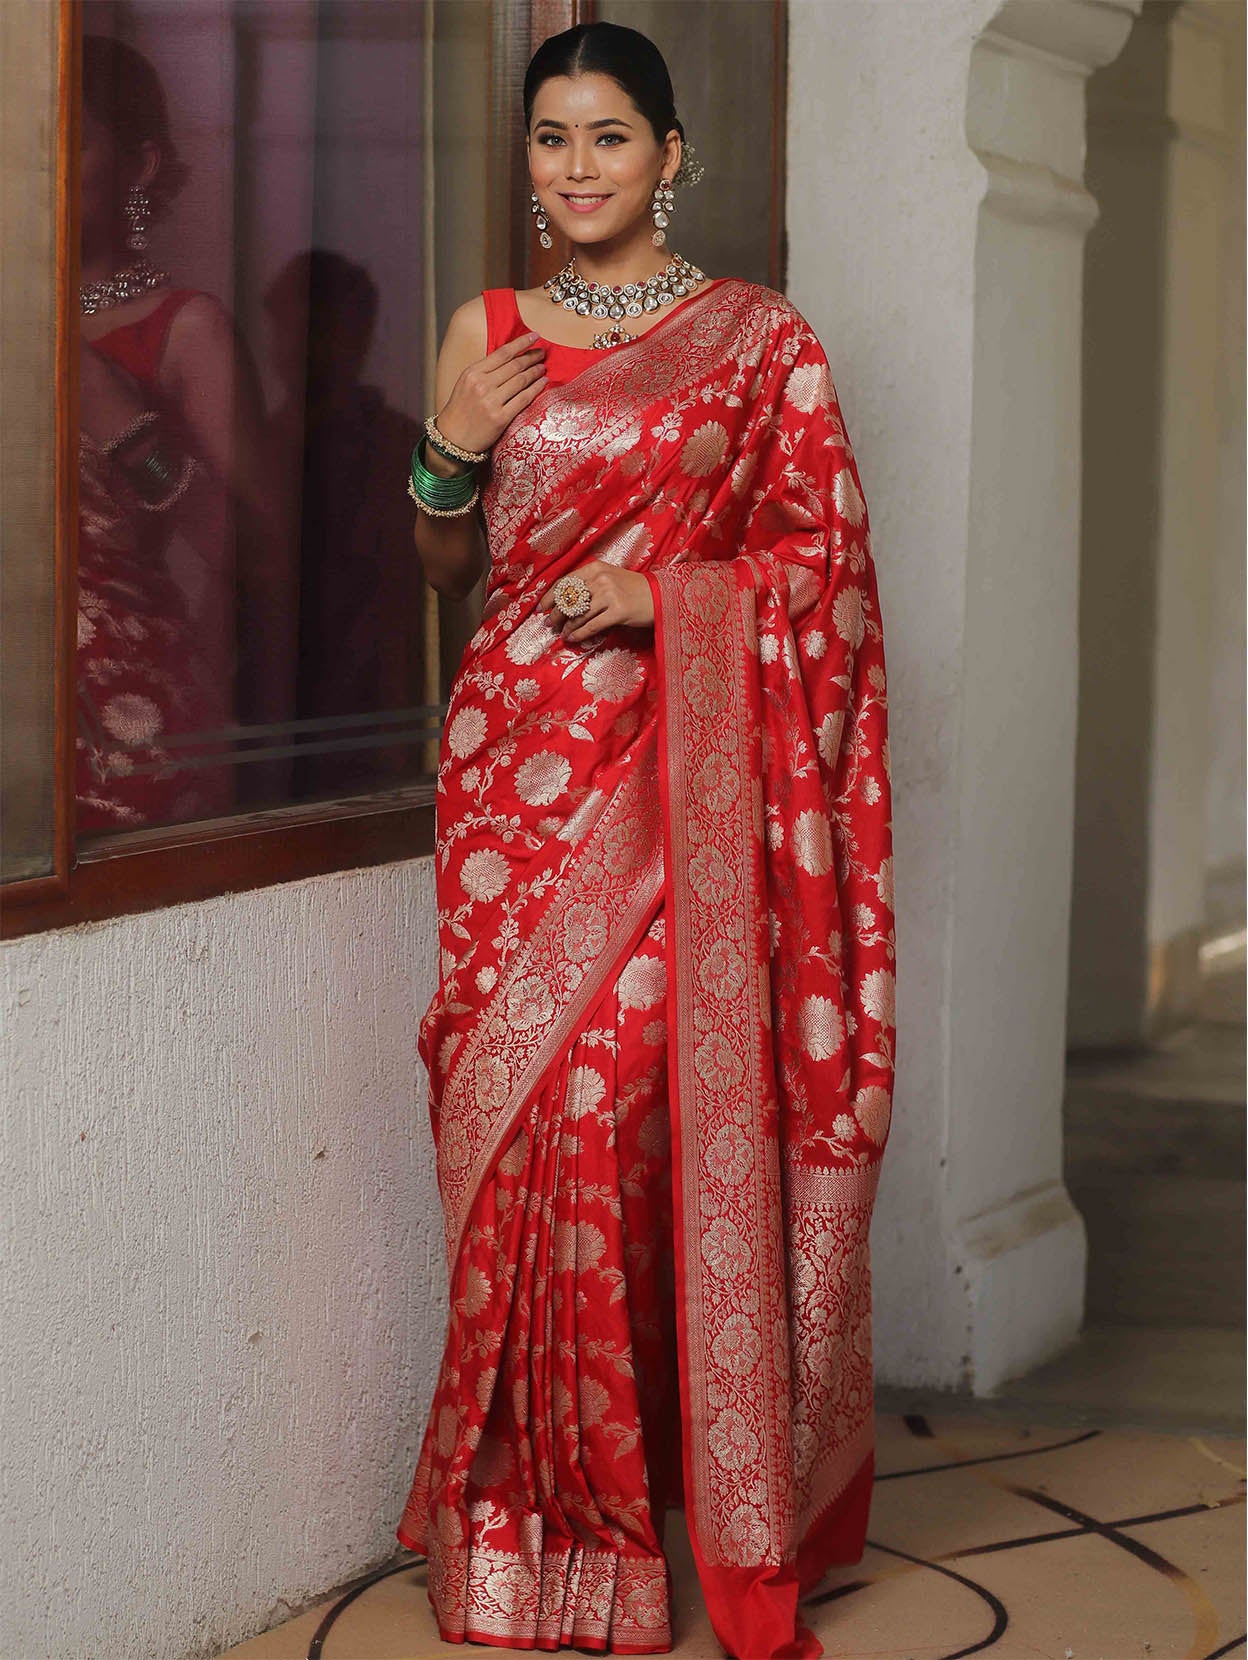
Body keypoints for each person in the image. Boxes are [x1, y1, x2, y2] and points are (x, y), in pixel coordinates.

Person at [397, 22, 895, 1660]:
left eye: (612, 137)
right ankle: (514, 1521)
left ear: (673, 155)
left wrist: (666, 600)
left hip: (668, 783)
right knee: (514, 1128)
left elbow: (823, 576)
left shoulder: (758, 344)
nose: (579, 168)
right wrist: (451, 443)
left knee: (612, 1115)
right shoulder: (487, 329)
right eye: (552, 139)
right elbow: (436, 566)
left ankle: (630, 1518)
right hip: (505, 786)